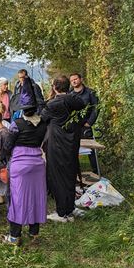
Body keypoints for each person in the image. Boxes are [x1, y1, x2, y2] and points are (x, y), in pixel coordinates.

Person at [2, 103, 48, 246]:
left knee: (17, 199)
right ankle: (34, 234)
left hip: (20, 165)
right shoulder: (43, 124)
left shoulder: (16, 124)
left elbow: (8, 146)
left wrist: (6, 158)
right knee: (36, 197)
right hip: (38, 164)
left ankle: (14, 236)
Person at [42, 76, 86, 223]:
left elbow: (43, 119)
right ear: (68, 87)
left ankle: (62, 212)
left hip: (57, 143)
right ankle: (70, 208)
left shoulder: (52, 104)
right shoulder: (75, 100)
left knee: (57, 176)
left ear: (54, 87)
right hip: (72, 142)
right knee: (70, 173)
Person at [69, 73, 100, 174]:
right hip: (73, 126)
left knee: (91, 150)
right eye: (72, 80)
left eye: (76, 79)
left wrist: (89, 123)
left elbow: (96, 108)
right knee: (73, 150)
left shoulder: (91, 93)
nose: (74, 81)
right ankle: (76, 173)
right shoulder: (69, 94)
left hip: (86, 125)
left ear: (81, 79)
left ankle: (95, 172)